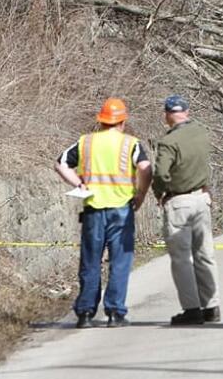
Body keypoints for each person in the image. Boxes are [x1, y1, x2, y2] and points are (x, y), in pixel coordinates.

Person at [53, 98, 152, 329]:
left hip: (93, 209)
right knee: (119, 262)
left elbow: (60, 164)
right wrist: (141, 195)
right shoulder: (131, 144)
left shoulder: (85, 142)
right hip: (121, 210)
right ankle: (115, 313)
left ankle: (86, 313)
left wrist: (80, 185)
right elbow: (146, 168)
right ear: (123, 121)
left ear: (102, 121)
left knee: (90, 261)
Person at [152, 93, 220, 326]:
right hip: (202, 197)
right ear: (187, 112)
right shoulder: (202, 133)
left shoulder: (168, 142)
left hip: (179, 200)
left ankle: (192, 309)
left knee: (182, 258)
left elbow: (161, 173)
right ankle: (212, 306)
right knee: (205, 253)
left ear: (167, 116)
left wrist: (159, 192)